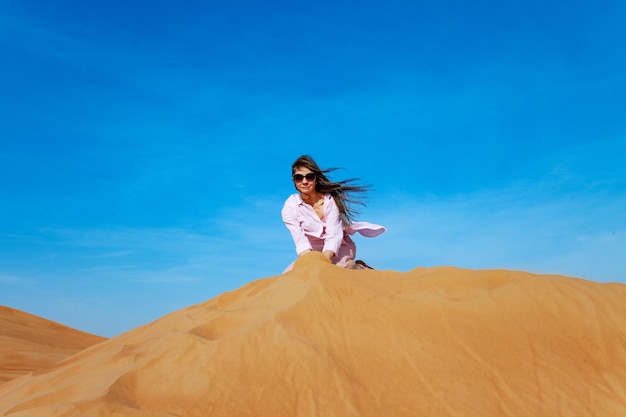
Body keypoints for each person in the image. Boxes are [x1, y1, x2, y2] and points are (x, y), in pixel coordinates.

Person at [281, 155, 386, 272]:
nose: (304, 181)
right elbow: (300, 240)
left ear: (316, 179)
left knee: (336, 270)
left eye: (309, 177)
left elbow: (334, 235)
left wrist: (323, 260)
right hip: (312, 252)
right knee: (290, 276)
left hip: (339, 247)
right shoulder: (291, 205)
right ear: (293, 180)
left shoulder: (329, 201)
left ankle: (359, 267)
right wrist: (311, 260)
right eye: (299, 178)